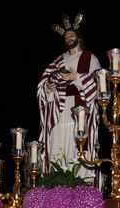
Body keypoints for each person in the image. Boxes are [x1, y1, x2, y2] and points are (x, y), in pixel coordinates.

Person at [38, 12, 101, 184]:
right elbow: (45, 84)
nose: (68, 38)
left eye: (71, 35)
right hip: (60, 109)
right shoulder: (58, 61)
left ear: (79, 37)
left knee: (77, 145)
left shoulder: (90, 58)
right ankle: (56, 184)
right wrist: (49, 89)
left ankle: (80, 185)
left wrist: (77, 78)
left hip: (81, 110)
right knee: (57, 141)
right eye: (66, 36)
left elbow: (99, 84)